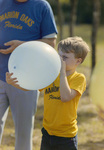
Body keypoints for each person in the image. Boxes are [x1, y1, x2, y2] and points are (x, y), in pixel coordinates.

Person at [6, 36, 90, 150]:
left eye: (65, 57)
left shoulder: (79, 78)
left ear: (78, 61)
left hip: (66, 136)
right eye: (58, 55)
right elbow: (31, 87)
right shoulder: (51, 74)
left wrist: (62, 72)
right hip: (47, 133)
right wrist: (14, 82)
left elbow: (65, 97)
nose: (60, 60)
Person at [0, 0, 58, 150]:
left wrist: (22, 45)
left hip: (26, 80)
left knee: (24, 134)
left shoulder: (41, 6)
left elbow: (51, 42)